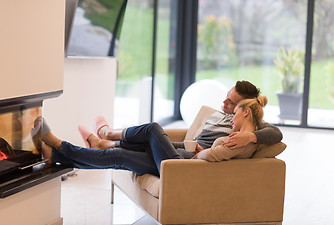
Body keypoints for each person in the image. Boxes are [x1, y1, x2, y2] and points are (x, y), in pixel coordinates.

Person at [37, 94, 269, 177]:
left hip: (180, 167)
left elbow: (214, 157)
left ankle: (83, 140)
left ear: (246, 112)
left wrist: (203, 151)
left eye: (236, 112)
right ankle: (57, 155)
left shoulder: (243, 139)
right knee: (120, 157)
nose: (233, 118)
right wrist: (200, 149)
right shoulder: (243, 135)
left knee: (152, 129)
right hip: (180, 159)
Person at [90, 81, 282, 152]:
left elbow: (276, 133)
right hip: (188, 148)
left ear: (244, 108)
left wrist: (249, 136)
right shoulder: (221, 115)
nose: (224, 103)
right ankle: (106, 141)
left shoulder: (248, 123)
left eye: (231, 102)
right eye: (226, 97)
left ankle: (108, 135)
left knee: (152, 130)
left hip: (191, 154)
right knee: (152, 135)